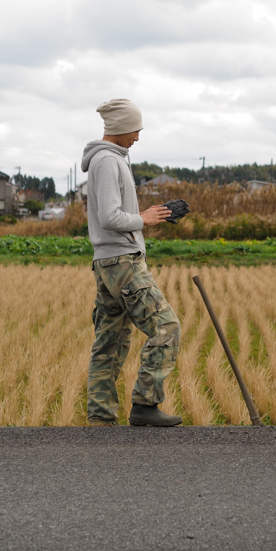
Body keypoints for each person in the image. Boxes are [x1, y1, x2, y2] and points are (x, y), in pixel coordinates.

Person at [80, 98, 183, 427]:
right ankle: (145, 404)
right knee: (166, 327)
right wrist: (144, 219)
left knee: (109, 341)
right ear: (120, 128)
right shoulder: (109, 161)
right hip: (122, 261)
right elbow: (110, 217)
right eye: (135, 128)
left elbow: (117, 214)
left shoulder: (107, 160)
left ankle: (101, 419)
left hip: (107, 262)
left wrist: (158, 215)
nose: (138, 135)